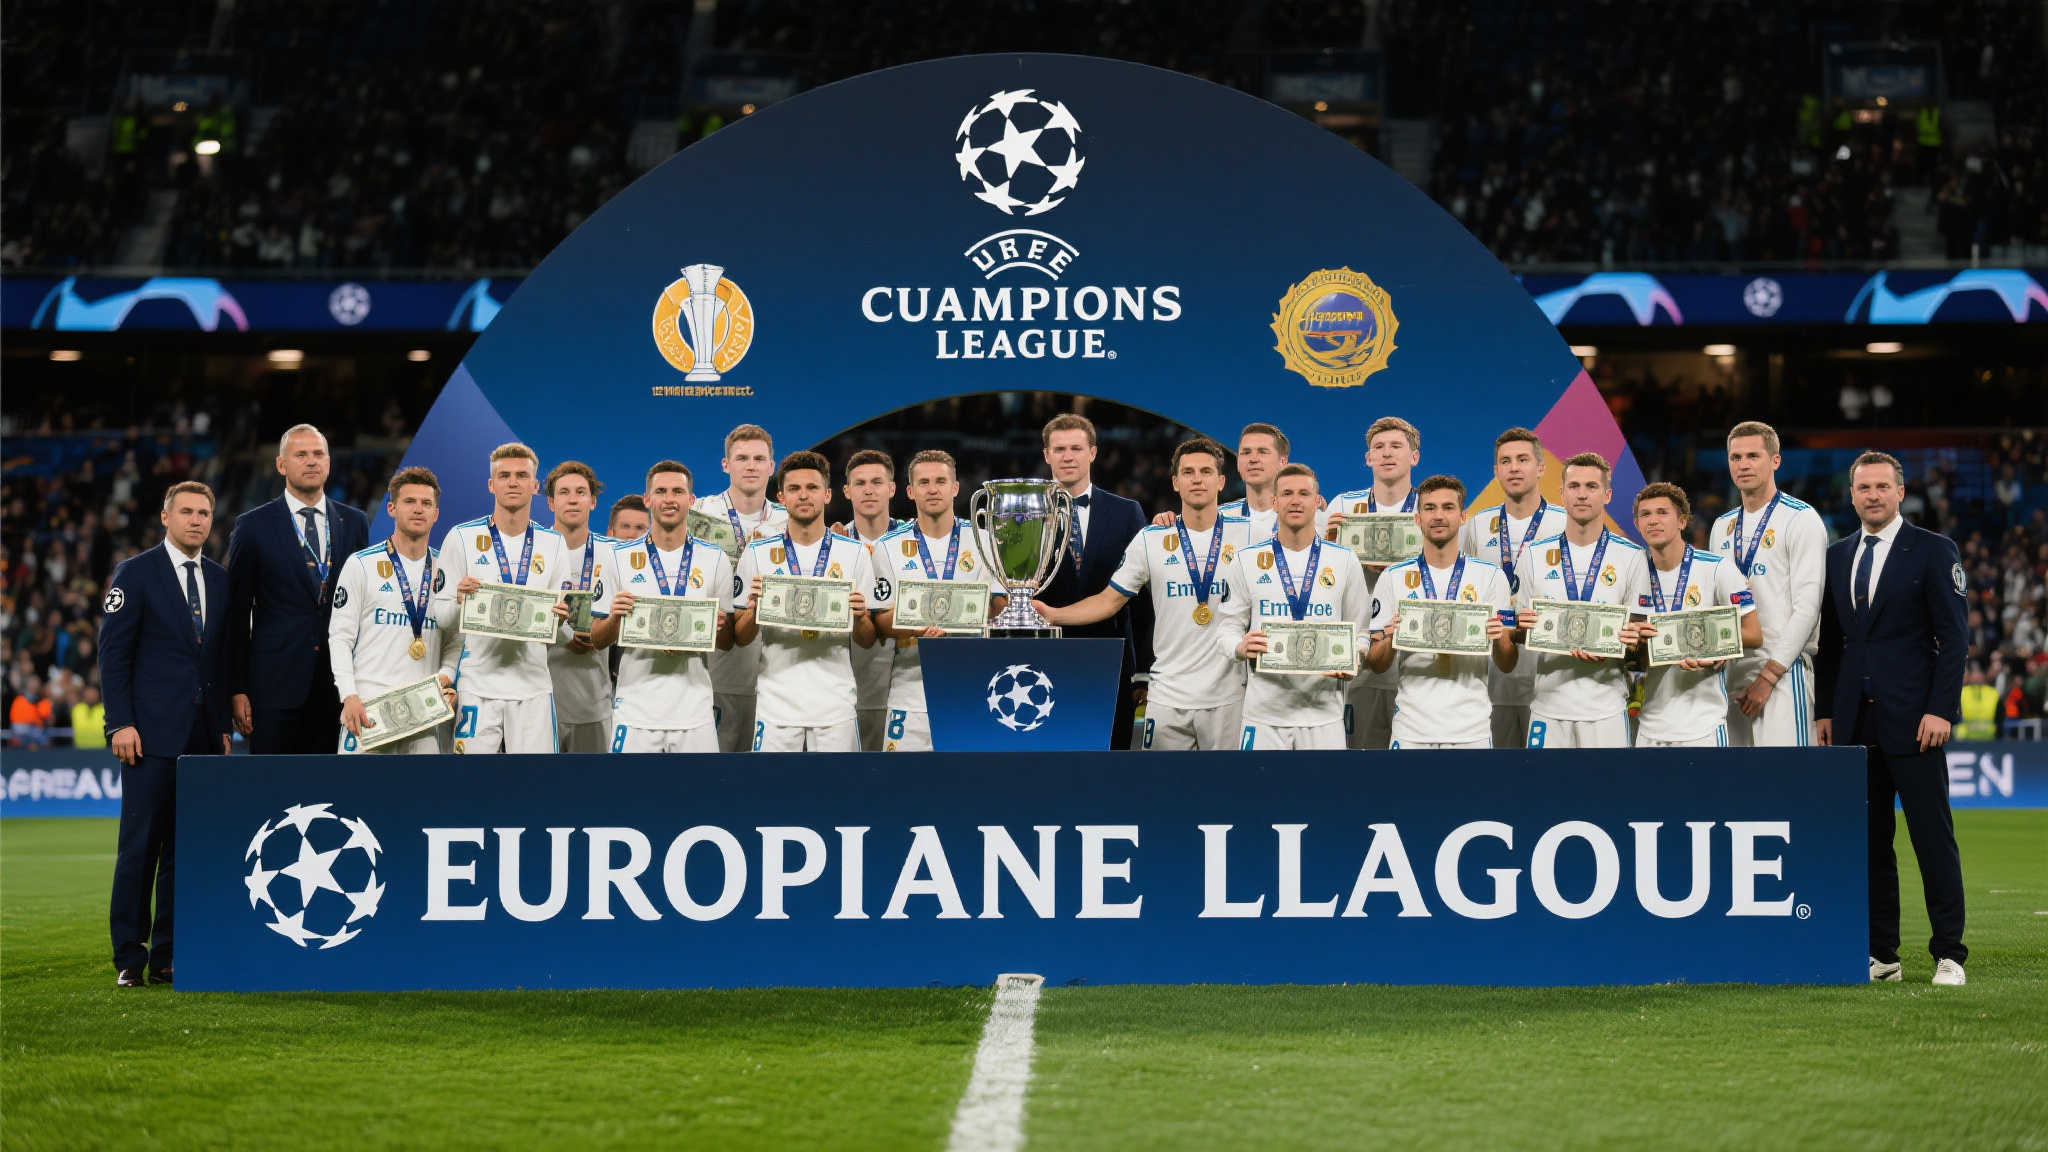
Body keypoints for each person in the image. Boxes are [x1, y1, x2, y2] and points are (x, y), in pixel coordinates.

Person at [1816, 451, 1968, 987]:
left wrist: (1941, 709)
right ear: (1852, 495)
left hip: (1916, 723)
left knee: (1932, 840)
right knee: (1871, 844)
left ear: (1901, 492)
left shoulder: (1933, 550)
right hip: (1855, 725)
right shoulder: (1837, 556)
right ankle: (1883, 956)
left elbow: (1954, 639)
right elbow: (1832, 644)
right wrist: (1825, 711)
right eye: (1864, 488)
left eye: (1883, 486)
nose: (1873, 495)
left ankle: (1949, 954)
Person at [98, 481, 232, 988]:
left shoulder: (219, 579)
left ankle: (169, 955)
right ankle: (129, 956)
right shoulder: (135, 573)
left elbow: (219, 659)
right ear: (165, 517)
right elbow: (114, 655)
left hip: (203, 738)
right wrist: (119, 722)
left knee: (184, 850)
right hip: (148, 736)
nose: (196, 521)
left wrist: (221, 726)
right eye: (187, 512)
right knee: (140, 849)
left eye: (204, 513)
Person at [1039, 438, 1253, 750]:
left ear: (1221, 481)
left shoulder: (1250, 535)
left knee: (1227, 782)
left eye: (1206, 471)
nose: (1197, 479)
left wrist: (1321, 513)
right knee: (1162, 782)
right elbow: (1108, 601)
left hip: (1229, 698)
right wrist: (1053, 614)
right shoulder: (1151, 539)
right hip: (1167, 695)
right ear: (1175, 482)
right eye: (1188, 472)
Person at [225, 424, 369, 753]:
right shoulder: (252, 526)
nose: (311, 461)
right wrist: (237, 688)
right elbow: (236, 614)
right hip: (273, 686)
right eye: (301, 454)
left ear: (329, 462)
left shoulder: (354, 522)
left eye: (318, 454)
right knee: (273, 782)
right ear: (281, 465)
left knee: (335, 783)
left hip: (339, 687)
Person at [1216, 463, 1372, 750]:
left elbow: (1362, 634)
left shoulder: (1344, 560)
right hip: (1264, 716)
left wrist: (1355, 659)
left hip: (1324, 716)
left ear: (1317, 502)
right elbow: (1226, 628)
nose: (1295, 500)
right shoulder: (1246, 560)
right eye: (1287, 494)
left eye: (1304, 493)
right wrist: (1239, 646)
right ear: (1275, 502)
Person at [731, 451, 877, 752]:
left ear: (827, 494)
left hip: (835, 703)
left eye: (812, 487)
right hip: (776, 704)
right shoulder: (757, 553)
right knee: (773, 784)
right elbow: (741, 637)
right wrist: (753, 612)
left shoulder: (855, 553)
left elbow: (866, 640)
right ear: (781, 497)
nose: (803, 495)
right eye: (794, 489)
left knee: (839, 784)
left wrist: (861, 617)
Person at [433, 442, 572, 754]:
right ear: (491, 484)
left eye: (522, 475)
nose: (513, 482)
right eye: (504, 475)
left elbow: (565, 635)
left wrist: (562, 622)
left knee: (537, 780)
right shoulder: (461, 538)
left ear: (535, 486)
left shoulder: (553, 544)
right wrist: (460, 602)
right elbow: (441, 617)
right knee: (470, 780)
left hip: (533, 687)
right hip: (478, 685)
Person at [591, 461, 735, 753]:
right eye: (661, 491)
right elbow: (597, 639)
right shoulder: (617, 557)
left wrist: (719, 627)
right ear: (647, 499)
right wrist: (615, 619)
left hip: (694, 709)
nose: (669, 499)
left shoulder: (715, 558)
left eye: (677, 492)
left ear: (690, 500)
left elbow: (727, 642)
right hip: (635, 709)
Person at [1366, 475, 1516, 748]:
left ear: (1462, 516)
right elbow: (1376, 664)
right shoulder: (1392, 577)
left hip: (1471, 729)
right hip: (1411, 728)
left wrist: (1500, 638)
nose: (1438, 516)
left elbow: (1507, 664)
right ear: (1418, 518)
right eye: (1429, 508)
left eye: (1448, 507)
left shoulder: (1491, 577)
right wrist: (1389, 638)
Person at [869, 450, 1005, 751]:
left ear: (955, 487)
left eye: (941, 481)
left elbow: (1000, 606)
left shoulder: (985, 540)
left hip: (971, 686)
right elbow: (879, 620)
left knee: (967, 778)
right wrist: (914, 626)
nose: (932, 489)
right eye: (924, 482)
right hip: (910, 689)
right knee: (903, 779)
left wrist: (962, 613)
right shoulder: (887, 547)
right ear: (910, 491)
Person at [1512, 452, 1650, 749]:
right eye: (1574, 486)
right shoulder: (1534, 555)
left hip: (1606, 707)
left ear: (1607, 495)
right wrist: (1519, 627)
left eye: (1591, 486)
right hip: (1548, 705)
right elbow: (1518, 631)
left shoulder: (1632, 556)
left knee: (1608, 783)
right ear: (1562, 493)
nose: (1582, 494)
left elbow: (1639, 639)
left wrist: (1629, 641)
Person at [1708, 421, 1828, 747]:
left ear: (1775, 460)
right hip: (1731, 672)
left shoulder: (1800, 519)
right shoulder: (1721, 526)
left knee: (1785, 775)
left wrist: (1769, 675)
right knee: (1736, 776)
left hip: (1782, 673)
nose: (1743, 465)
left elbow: (1808, 608)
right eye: (1735, 457)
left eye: (1753, 456)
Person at [1036, 413, 1148, 749]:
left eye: (1076, 448)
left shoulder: (1127, 512)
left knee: (1111, 760)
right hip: (1045, 660)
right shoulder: (1024, 513)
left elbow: (1143, 603)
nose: (1068, 457)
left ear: (1093, 452)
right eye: (1059, 449)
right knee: (1049, 758)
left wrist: (1141, 671)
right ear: (1047, 455)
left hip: (1112, 661)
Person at [329, 467, 460, 754]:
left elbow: (455, 638)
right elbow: (340, 637)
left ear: (436, 514)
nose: (418, 509)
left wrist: (446, 676)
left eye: (426, 503)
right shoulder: (361, 565)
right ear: (391, 508)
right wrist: (348, 695)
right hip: (368, 707)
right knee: (358, 786)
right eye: (409, 501)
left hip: (425, 712)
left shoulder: (447, 571)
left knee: (422, 787)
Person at [1460, 427, 1570, 749]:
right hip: (1492, 678)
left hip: (1551, 677)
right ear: (1496, 471)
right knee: (1499, 774)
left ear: (1541, 467)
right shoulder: (1477, 525)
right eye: (1505, 461)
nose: (1514, 468)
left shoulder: (1566, 522)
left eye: (1523, 459)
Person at [1628, 484, 1761, 747]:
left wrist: (1711, 645)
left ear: (1682, 521)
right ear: (1637, 524)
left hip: (1704, 724)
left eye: (1662, 512)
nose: (1653, 520)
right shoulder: (1631, 572)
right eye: (1645, 514)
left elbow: (1754, 634)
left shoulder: (1718, 569)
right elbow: (1634, 657)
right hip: (1650, 724)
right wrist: (1636, 644)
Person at [1322, 416, 1422, 750]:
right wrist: (1330, 544)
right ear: (1368, 458)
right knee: (1360, 759)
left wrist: (1400, 565)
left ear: (1414, 457)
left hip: (1417, 659)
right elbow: (1319, 580)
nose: (1387, 453)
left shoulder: (1432, 507)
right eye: (1378, 447)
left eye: (1396, 446)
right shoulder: (1342, 507)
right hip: (1361, 655)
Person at [694, 425, 787, 752]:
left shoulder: (790, 520)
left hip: (774, 672)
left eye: (759, 459)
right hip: (714, 667)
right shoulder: (699, 514)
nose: (751, 466)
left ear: (771, 466)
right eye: (742, 458)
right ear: (725, 464)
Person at [543, 461, 614, 753]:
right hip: (537, 701)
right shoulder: (532, 551)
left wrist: (602, 632)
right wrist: (564, 636)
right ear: (551, 502)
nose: (573, 499)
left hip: (592, 702)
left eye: (581, 492)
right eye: (564, 492)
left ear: (593, 501)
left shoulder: (614, 553)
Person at [842, 449, 906, 751]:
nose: (868, 490)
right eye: (860, 483)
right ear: (846, 491)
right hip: (849, 681)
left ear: (892, 488)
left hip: (907, 679)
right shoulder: (832, 544)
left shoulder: (914, 541)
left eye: (877, 482)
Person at [70, 684, 106, 750]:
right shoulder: (77, 708)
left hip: (102, 750)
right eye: (88, 694)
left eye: (93, 694)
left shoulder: (105, 709)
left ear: (98, 695)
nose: (90, 696)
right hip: (79, 750)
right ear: (84, 695)